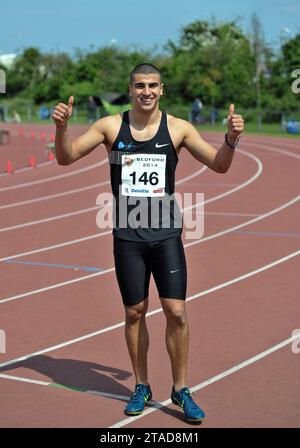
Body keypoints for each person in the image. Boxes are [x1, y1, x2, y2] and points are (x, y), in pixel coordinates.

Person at [52, 63, 244, 423]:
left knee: (176, 312)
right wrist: (61, 129)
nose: (146, 91)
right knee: (133, 312)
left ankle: (181, 388)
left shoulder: (179, 128)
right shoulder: (110, 126)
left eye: (153, 85)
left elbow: (220, 166)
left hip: (166, 234)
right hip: (127, 235)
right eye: (140, 85)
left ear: (162, 89)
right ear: (130, 90)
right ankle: (141, 385)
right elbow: (66, 157)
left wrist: (231, 140)